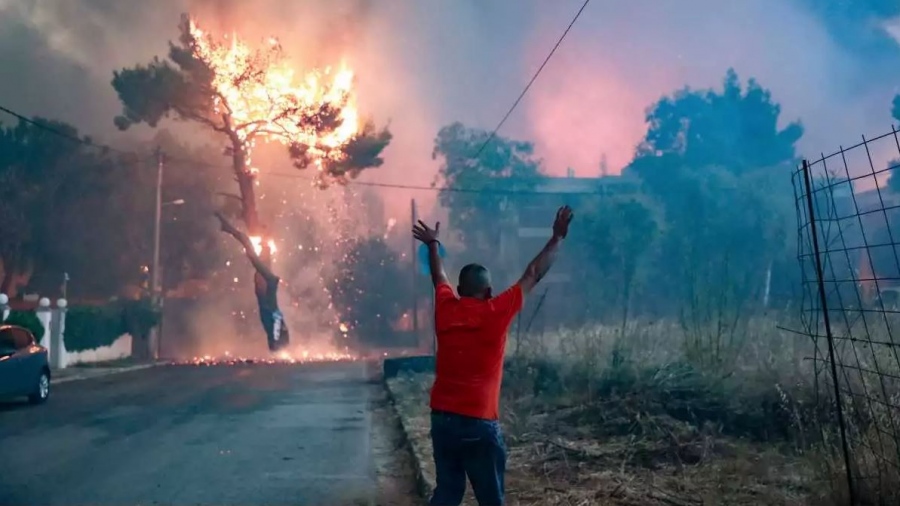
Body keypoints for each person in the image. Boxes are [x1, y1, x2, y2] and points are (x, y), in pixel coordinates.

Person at [412, 205, 574, 506]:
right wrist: (556, 238)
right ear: (488, 292)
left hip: (442, 419)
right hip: (478, 423)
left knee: (447, 492)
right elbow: (534, 273)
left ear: (460, 290)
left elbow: (438, 277)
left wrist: (433, 244)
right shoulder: (495, 312)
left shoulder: (446, 308)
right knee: (490, 499)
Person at [215, 212, 290, 352]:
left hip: (271, 315)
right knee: (273, 334)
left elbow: (254, 257)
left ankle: (278, 349)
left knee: (274, 334)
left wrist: (235, 233)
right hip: (270, 314)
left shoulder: (269, 280)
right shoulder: (266, 279)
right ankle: (277, 349)